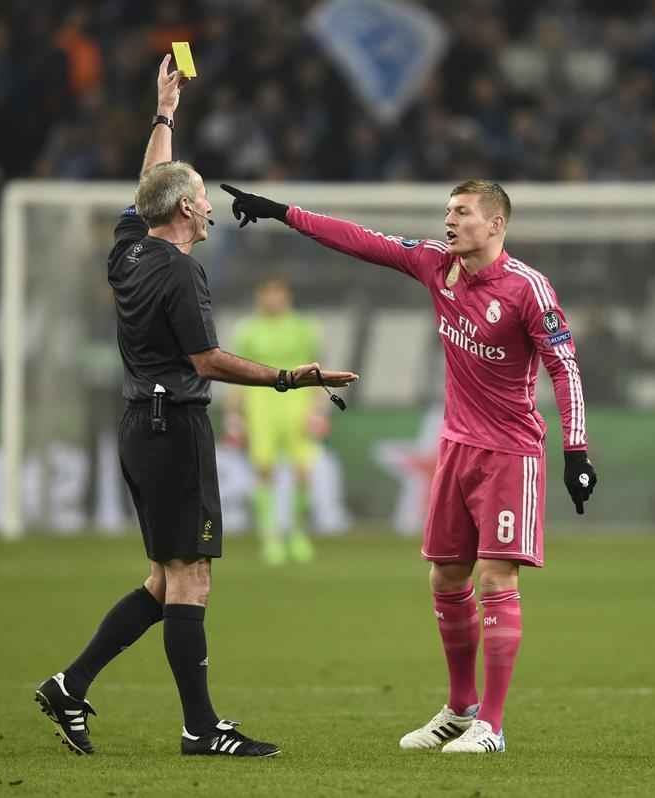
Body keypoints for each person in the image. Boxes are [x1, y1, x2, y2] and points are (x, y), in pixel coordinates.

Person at [33, 57, 357, 759]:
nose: (211, 206)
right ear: (186, 210)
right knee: (192, 578)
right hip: (173, 426)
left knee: (163, 580)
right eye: (203, 197)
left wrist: (164, 114)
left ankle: (71, 685)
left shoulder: (127, 251)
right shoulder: (181, 271)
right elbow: (207, 361)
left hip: (138, 424)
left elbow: (152, 187)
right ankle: (201, 729)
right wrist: (287, 378)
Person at [220, 179, 598, 754]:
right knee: (446, 578)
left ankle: (491, 726)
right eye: (447, 211)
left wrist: (576, 451)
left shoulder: (529, 289)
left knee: (497, 578)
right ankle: (460, 707)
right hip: (456, 447)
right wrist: (281, 213)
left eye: (463, 212)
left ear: (496, 224)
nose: (450, 221)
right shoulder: (434, 265)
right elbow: (359, 241)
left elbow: (564, 368)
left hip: (510, 453)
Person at [226, 276, 325, 565]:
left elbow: (318, 372)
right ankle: (270, 537)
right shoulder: (248, 330)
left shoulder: (304, 328)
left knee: (303, 471)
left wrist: (318, 409)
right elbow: (235, 374)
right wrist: (234, 414)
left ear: (287, 296)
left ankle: (297, 533)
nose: (272, 299)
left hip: (298, 407)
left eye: (277, 294)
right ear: (260, 297)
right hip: (261, 408)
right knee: (265, 470)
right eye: (267, 294)